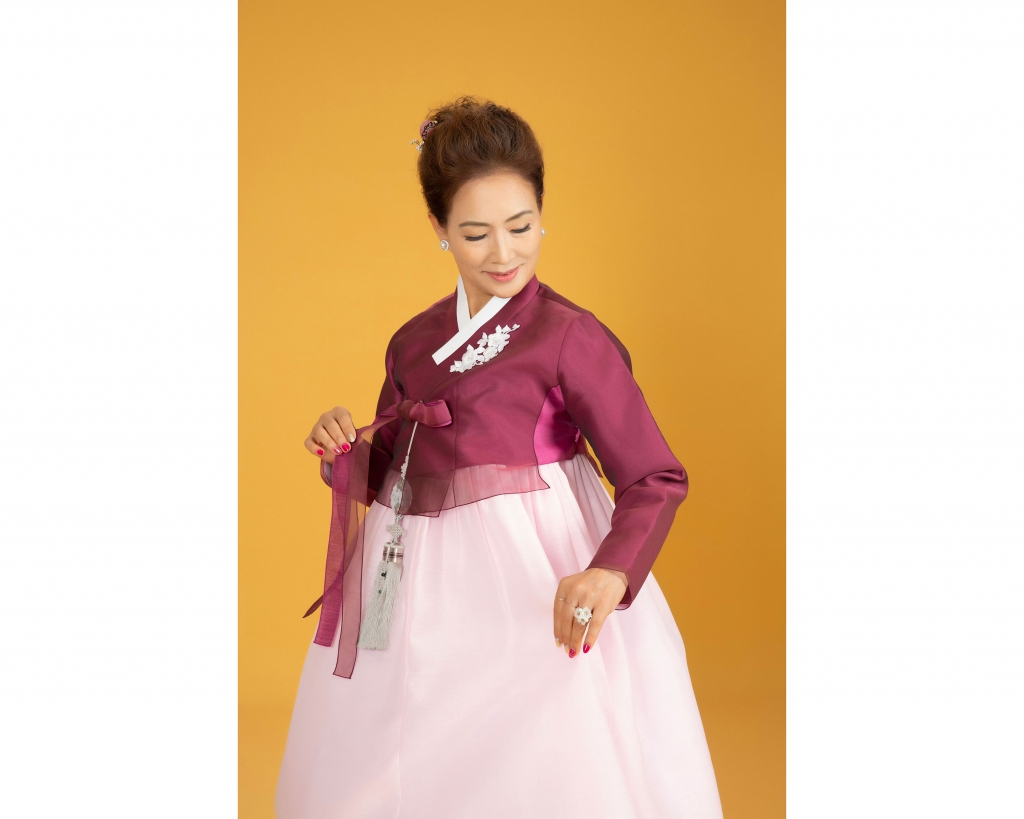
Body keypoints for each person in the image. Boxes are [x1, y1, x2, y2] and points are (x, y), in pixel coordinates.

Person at [275, 96, 723, 818]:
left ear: (542, 212)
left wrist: (610, 571)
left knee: (545, 762)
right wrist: (341, 447)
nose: (505, 253)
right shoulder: (412, 342)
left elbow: (654, 475)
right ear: (438, 229)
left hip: (535, 577)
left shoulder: (570, 335)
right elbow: (393, 475)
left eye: (520, 226)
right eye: (476, 233)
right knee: (410, 756)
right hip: (422, 593)